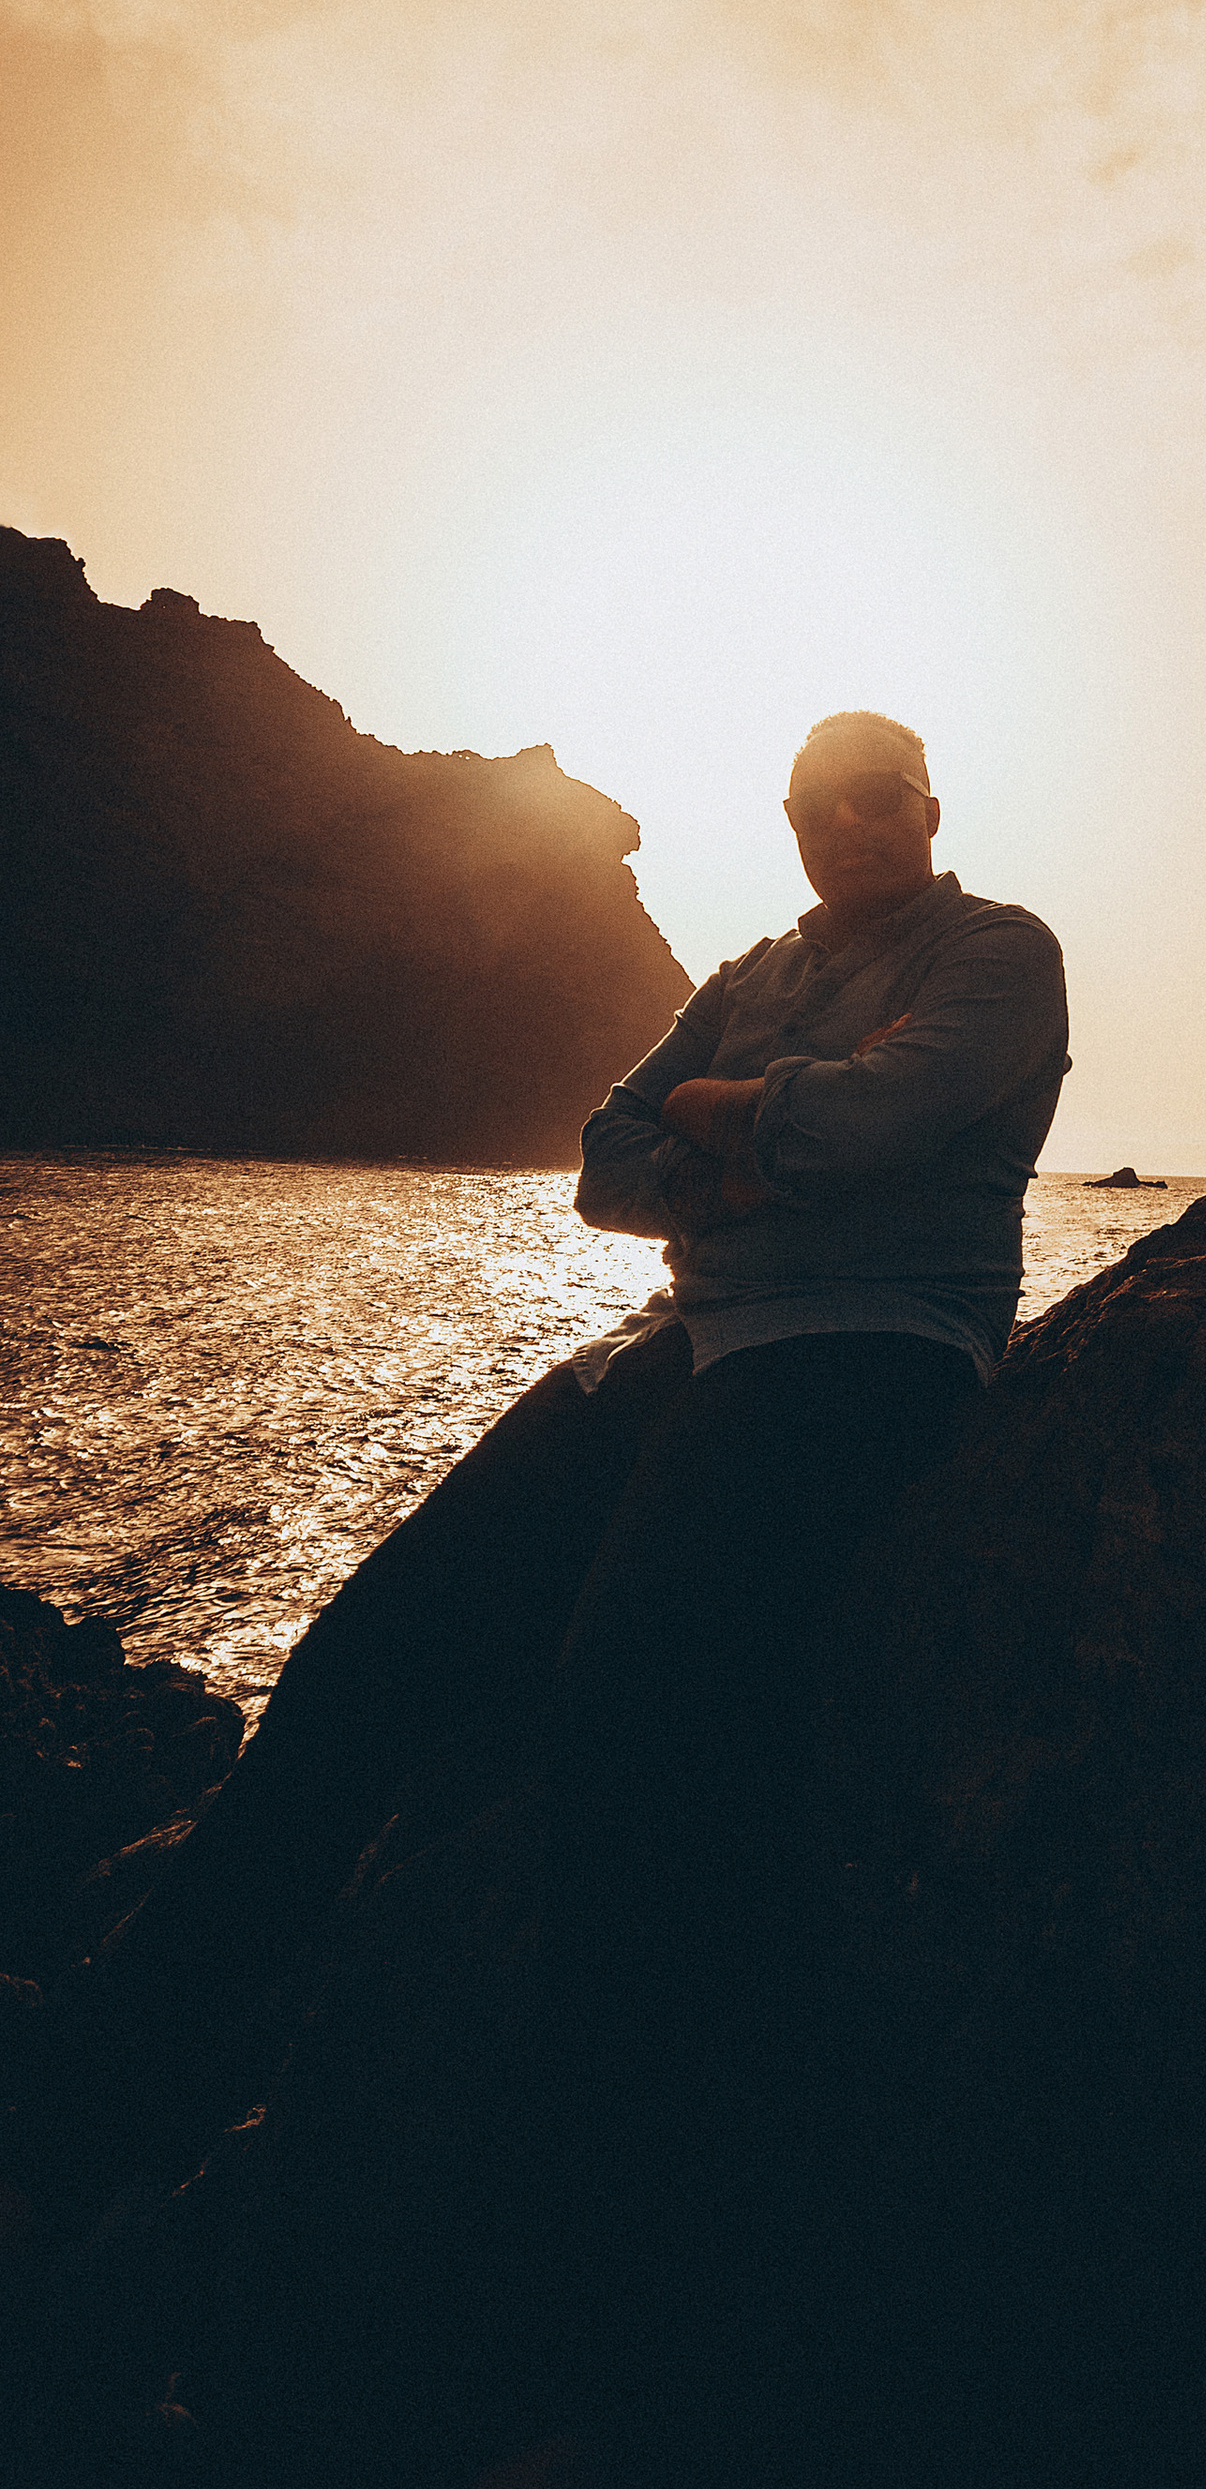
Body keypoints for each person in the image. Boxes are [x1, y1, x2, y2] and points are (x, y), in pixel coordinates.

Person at [24, 708, 1069, 2285]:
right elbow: (602, 1156)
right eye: (818, 807)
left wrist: (719, 1116)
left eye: (880, 798)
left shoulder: (998, 951)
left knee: (629, 1715)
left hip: (869, 1343)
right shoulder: (750, 976)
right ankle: (91, 2110)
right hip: (669, 1343)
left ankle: (596, 2249)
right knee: (364, 1659)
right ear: (792, 826)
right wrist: (764, 1131)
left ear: (928, 808)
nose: (850, 825)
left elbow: (884, 1114)